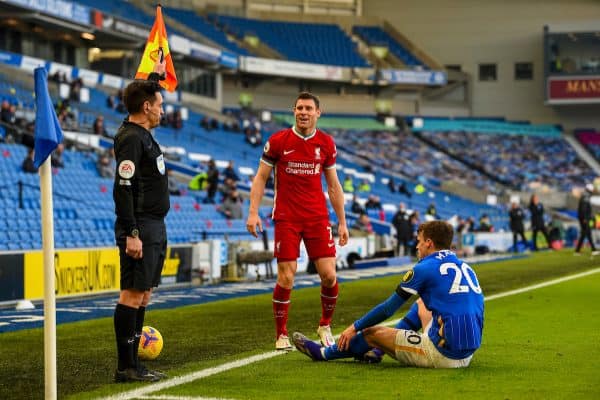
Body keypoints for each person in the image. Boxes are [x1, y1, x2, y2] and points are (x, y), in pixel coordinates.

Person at [292, 220, 484, 369]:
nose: (417, 247)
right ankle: (376, 352)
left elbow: (387, 309)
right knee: (421, 304)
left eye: (419, 242)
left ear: (429, 243)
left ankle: (323, 353)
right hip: (468, 353)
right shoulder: (466, 266)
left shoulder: (424, 268)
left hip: (444, 354)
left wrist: (354, 327)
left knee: (371, 333)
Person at [246, 91, 349, 351]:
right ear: (294, 111)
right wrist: (253, 211)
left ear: (318, 113)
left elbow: (334, 186)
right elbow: (260, 177)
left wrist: (342, 221)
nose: (303, 112)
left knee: (328, 275)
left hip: (317, 217)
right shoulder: (278, 141)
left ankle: (325, 324)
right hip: (287, 217)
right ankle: (281, 334)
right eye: (299, 108)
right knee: (286, 278)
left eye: (308, 108)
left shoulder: (326, 144)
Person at [112, 59, 170, 383]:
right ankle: (126, 366)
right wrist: (132, 232)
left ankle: (135, 363)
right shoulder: (132, 138)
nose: (162, 110)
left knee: (144, 294)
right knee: (132, 295)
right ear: (146, 107)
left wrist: (154, 78)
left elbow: (144, 94)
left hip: (154, 225)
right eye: (158, 105)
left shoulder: (141, 133)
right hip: (141, 226)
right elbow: (124, 187)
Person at [574, 184, 599, 256]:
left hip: (583, 217)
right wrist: (585, 218)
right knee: (588, 233)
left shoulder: (585, 195)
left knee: (584, 234)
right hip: (584, 218)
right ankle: (593, 250)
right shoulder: (586, 196)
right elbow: (584, 208)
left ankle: (577, 251)